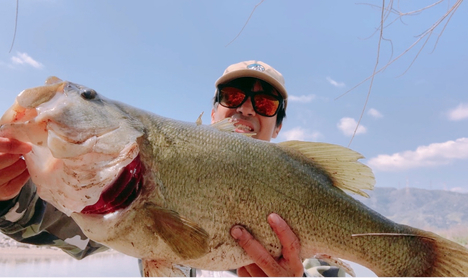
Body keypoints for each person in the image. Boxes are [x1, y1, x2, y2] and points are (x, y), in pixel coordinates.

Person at [0, 60, 341, 277]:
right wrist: (5, 195)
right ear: (214, 111)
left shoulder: (314, 210)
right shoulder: (151, 173)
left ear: (277, 127)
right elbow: (53, 223)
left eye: (265, 103)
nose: (247, 109)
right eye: (233, 96)